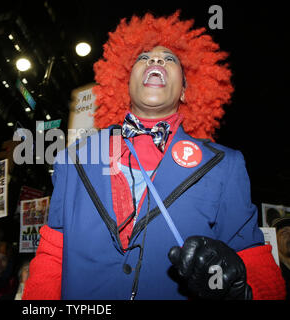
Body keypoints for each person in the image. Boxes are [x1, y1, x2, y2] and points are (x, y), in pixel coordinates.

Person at [22, 11, 286, 300]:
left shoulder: (225, 166)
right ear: (125, 82)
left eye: (169, 58)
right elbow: (52, 255)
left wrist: (243, 292)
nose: (156, 61)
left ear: (186, 90)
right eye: (143, 57)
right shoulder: (72, 160)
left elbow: (256, 260)